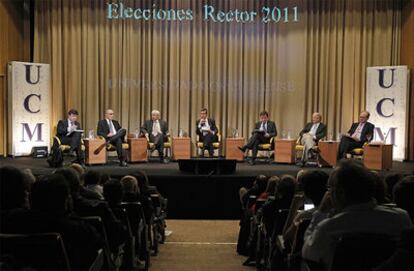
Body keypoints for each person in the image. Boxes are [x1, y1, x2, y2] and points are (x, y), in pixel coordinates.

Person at [302, 160, 412, 268]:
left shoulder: (328, 228)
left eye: (330, 189)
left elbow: (308, 254)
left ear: (339, 192)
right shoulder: (401, 218)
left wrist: (321, 213)